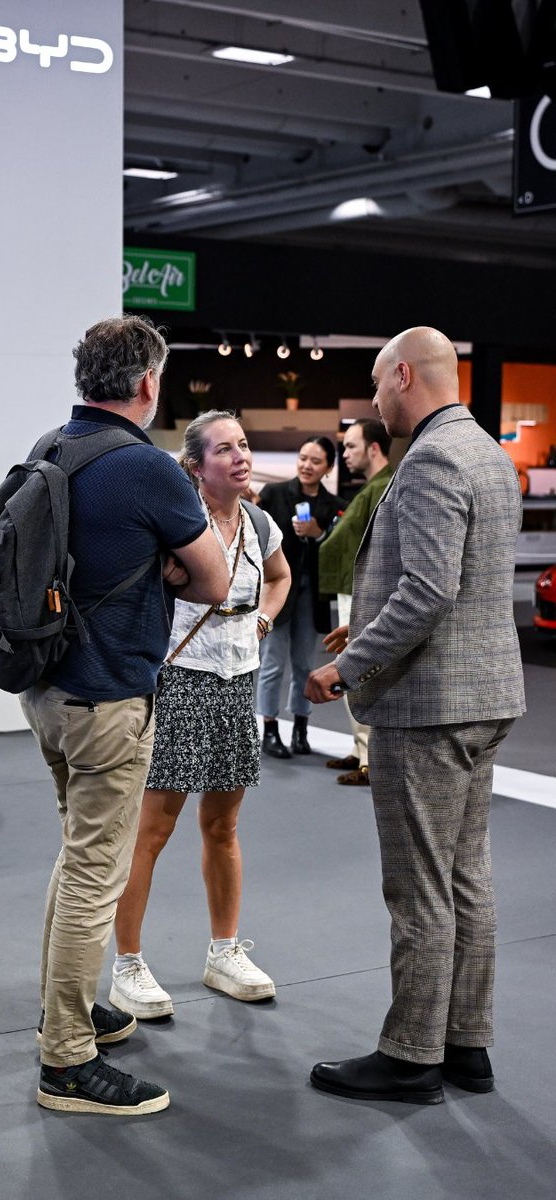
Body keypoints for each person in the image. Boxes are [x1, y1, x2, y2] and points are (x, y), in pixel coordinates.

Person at [305, 327, 525, 1105]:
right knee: (468, 878)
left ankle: (410, 1057)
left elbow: (429, 590)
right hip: (485, 696)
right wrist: (364, 628)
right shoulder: (491, 455)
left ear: (404, 375)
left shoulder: (431, 457)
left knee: (419, 889)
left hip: (428, 707)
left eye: (375, 382)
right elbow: (460, 585)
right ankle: (467, 1046)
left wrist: (346, 664)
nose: (372, 400)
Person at [21, 315, 230, 1117]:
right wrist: (166, 568)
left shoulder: (49, 448)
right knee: (93, 876)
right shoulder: (146, 469)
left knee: (75, 859)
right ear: (147, 383)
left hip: (45, 690)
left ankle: (65, 1011)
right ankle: (66, 1061)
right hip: (108, 698)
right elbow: (213, 581)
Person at [109, 411, 291, 1020]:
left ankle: (224, 951)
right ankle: (127, 964)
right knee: (152, 831)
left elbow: (282, 575)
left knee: (223, 826)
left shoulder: (261, 522)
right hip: (180, 677)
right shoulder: (177, 525)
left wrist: (263, 617)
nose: (240, 457)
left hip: (238, 680)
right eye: (224, 449)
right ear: (195, 466)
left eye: (243, 445)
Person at [256, 437, 343, 758]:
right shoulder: (273, 495)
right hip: (277, 591)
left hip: (312, 595)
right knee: (272, 663)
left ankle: (301, 729)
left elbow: (340, 553)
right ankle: (269, 730)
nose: (307, 465)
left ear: (328, 468)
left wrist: (319, 534)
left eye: (315, 461)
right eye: (303, 457)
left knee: (305, 664)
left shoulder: (336, 506)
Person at [318, 418, 393, 786]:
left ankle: (369, 759)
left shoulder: (383, 488)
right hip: (352, 588)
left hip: (363, 592)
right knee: (353, 669)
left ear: (373, 448)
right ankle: (361, 749)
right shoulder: (375, 487)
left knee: (358, 670)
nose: (343, 454)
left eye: (350, 446)